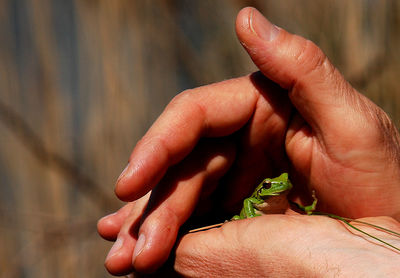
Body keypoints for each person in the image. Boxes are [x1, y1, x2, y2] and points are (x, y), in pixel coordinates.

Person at [97, 7, 400, 277]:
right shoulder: (252, 208)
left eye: (280, 183)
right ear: (258, 194)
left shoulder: (289, 197)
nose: (279, 186)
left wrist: (365, 259)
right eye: (271, 184)